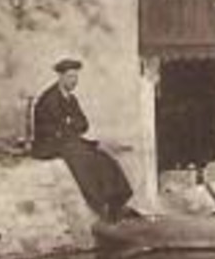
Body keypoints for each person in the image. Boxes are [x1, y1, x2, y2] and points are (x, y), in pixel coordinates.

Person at [32, 57, 138, 221]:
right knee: (82, 157)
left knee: (102, 156)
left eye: (75, 77)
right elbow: (52, 128)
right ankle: (99, 204)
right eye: (69, 77)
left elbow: (83, 124)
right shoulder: (50, 99)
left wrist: (69, 123)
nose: (73, 81)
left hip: (67, 140)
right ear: (60, 77)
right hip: (48, 144)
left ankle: (116, 201)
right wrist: (70, 124)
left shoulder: (72, 99)